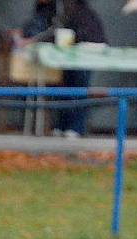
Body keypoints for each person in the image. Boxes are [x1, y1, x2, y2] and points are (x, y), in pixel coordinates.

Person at [49, 0, 107, 137]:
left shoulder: (81, 15)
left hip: (85, 56)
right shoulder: (73, 14)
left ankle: (75, 128)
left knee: (79, 90)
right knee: (68, 89)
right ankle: (63, 126)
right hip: (73, 57)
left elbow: (79, 37)